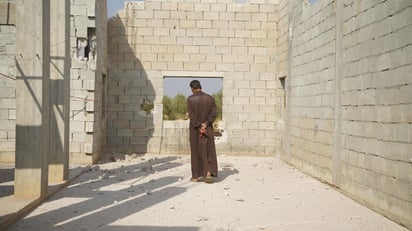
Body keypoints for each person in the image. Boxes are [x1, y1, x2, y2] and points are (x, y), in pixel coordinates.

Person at [187, 80, 218, 183]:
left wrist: (199, 126)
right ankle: (208, 173)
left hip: (195, 130)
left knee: (196, 151)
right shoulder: (210, 98)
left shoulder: (190, 99)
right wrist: (206, 124)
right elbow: (214, 113)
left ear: (192, 88)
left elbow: (192, 116)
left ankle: (196, 176)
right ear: (200, 86)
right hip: (207, 128)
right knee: (208, 150)